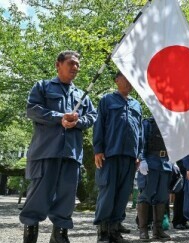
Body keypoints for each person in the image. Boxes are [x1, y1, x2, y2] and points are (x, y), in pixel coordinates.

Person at [20, 50, 97, 243]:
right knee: (38, 196)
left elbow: (93, 116)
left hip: (71, 154)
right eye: (71, 63)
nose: (75, 68)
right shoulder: (43, 87)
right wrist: (59, 118)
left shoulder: (81, 95)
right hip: (46, 152)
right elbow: (33, 110)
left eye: (78, 64)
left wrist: (78, 120)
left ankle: (60, 236)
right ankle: (30, 235)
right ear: (58, 65)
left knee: (66, 198)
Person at [92, 71, 142, 243]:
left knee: (122, 195)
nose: (129, 82)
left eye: (131, 79)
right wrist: (98, 149)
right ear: (116, 80)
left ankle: (115, 230)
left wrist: (139, 154)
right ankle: (103, 231)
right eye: (125, 78)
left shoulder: (136, 104)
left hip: (130, 157)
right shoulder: (107, 100)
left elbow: (139, 132)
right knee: (108, 193)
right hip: (110, 155)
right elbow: (99, 126)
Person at [137, 117, 174, 241]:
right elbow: (141, 142)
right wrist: (142, 160)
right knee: (146, 196)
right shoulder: (148, 123)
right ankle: (143, 230)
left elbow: (174, 145)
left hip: (166, 164)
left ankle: (158, 230)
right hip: (151, 163)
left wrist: (174, 161)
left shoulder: (170, 124)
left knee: (162, 197)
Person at [172, 160, 189, 230]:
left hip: (187, 167)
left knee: (186, 197)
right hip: (180, 166)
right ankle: (177, 221)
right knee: (180, 196)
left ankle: (184, 220)